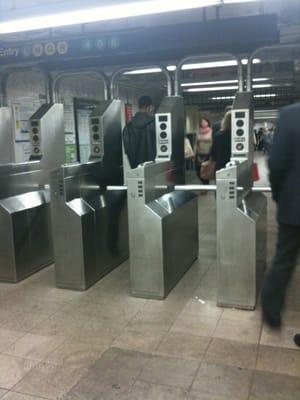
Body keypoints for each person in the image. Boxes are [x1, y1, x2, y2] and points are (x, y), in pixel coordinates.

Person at [261, 103, 300, 346]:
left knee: (284, 260)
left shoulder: (290, 115)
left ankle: (272, 310)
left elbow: (275, 165)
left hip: (294, 207)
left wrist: (278, 195)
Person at [123, 95, 156, 169]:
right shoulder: (155, 123)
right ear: (149, 107)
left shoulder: (129, 126)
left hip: (136, 169)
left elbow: (127, 150)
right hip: (153, 168)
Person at [194, 118, 213, 186]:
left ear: (208, 123)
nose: (203, 123)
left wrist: (212, 154)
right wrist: (194, 153)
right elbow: (196, 143)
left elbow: (213, 143)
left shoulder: (211, 131)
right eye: (202, 122)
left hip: (207, 154)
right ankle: (204, 183)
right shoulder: (198, 131)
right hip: (199, 154)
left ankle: (205, 185)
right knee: (198, 171)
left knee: (205, 170)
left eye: (205, 121)